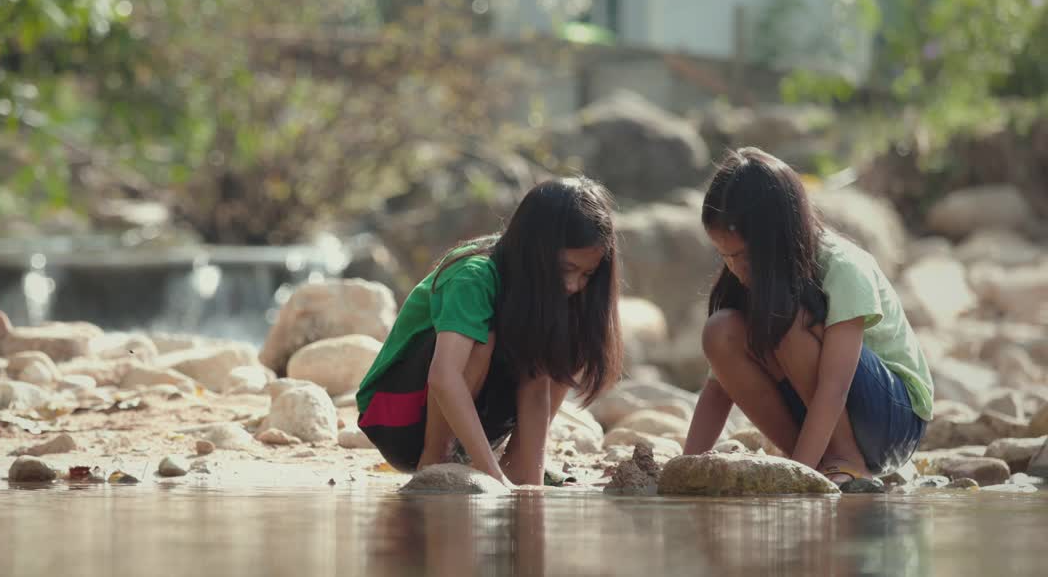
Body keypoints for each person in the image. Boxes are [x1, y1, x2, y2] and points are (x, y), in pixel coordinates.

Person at [683, 148, 934, 488]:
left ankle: (842, 459)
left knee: (786, 320)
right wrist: (684, 468)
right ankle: (813, 458)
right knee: (720, 331)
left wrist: (797, 479)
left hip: (891, 420)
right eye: (724, 255)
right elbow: (718, 389)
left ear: (777, 237)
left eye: (743, 255)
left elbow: (835, 385)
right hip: (821, 415)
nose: (735, 269)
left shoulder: (843, 266)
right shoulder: (752, 280)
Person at [356, 176, 623, 486]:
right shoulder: (474, 275)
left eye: (586, 274)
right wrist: (493, 478)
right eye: (566, 269)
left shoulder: (553, 294)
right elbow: (444, 377)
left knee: (565, 339)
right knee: (482, 340)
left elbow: (537, 389)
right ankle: (436, 460)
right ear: (534, 249)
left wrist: (527, 488)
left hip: (472, 419)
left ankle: (513, 464)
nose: (574, 285)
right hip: (398, 419)